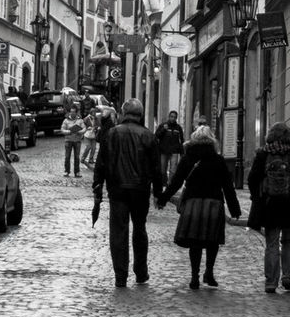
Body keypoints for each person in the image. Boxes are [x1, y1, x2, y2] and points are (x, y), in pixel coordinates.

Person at [157, 125, 241, 289]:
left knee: (195, 242)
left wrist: (163, 199)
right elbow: (228, 187)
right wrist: (235, 209)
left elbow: (176, 181)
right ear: (212, 141)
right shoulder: (218, 160)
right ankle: (209, 272)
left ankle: (194, 277)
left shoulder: (188, 158)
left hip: (193, 203)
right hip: (214, 204)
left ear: (194, 139)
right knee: (212, 241)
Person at [92, 97, 162, 288]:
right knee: (140, 229)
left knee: (118, 232)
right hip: (140, 189)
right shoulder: (148, 135)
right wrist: (158, 192)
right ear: (140, 115)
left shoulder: (112, 133)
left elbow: (101, 162)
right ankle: (141, 272)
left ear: (124, 113)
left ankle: (120, 276)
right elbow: (156, 168)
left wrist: (98, 185)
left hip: (118, 188)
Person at [247, 121, 290, 294]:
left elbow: (252, 179)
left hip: (270, 204)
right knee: (289, 240)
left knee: (272, 243)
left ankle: (271, 281)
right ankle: (288, 277)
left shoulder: (262, 155)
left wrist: (257, 197)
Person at [154, 110, 185, 184]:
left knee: (173, 170)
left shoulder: (178, 128)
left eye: (174, 117)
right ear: (169, 117)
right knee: (162, 170)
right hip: (163, 151)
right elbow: (156, 136)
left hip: (174, 151)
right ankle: (163, 182)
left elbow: (181, 140)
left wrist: (182, 152)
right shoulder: (163, 125)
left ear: (176, 118)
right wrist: (163, 130)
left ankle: (170, 184)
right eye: (171, 117)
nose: (173, 118)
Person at [61, 105, 86, 177]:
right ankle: (66, 171)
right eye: (71, 112)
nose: (72, 113)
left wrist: (79, 132)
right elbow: (62, 129)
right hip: (68, 140)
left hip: (77, 141)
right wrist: (69, 131)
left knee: (77, 157)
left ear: (76, 112)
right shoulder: (66, 120)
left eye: (73, 112)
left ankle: (77, 172)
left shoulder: (80, 120)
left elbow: (84, 128)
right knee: (67, 156)